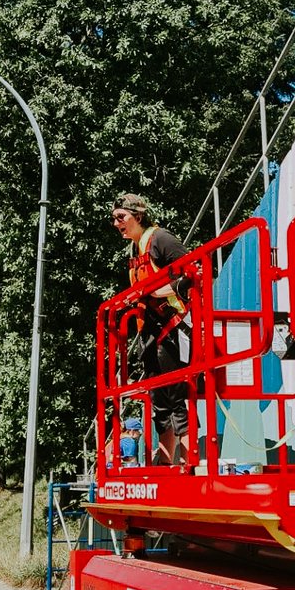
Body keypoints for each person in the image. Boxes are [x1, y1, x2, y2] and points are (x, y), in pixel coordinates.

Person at [112, 193, 192, 464]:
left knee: (177, 396)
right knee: (159, 400)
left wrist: (158, 292)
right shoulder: (136, 249)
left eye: (121, 217)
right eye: (114, 218)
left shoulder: (161, 239)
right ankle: (167, 462)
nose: (116, 223)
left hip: (175, 326)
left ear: (138, 215)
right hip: (150, 331)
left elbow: (194, 274)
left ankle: (188, 464)